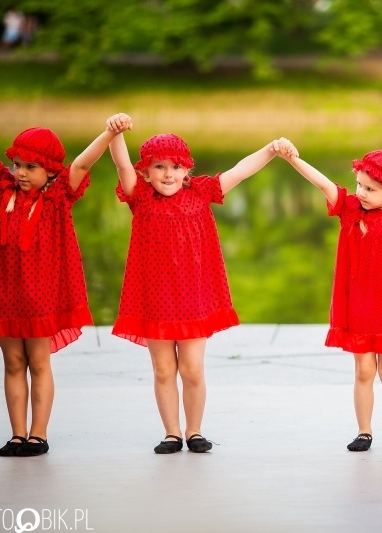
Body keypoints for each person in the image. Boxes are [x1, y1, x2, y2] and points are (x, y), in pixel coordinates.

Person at [108, 114, 295, 454]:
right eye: (160, 167)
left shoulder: (202, 191)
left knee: (192, 369)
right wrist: (114, 132)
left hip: (193, 296)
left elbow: (240, 170)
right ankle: (171, 432)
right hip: (154, 297)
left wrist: (270, 150)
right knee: (164, 369)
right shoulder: (141, 198)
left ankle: (194, 430)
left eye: (176, 167)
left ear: (187, 170)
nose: (168, 175)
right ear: (146, 172)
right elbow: (121, 165)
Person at [277, 126, 382, 452]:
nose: (362, 192)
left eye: (371, 189)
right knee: (365, 369)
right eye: (360, 185)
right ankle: (364, 431)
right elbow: (323, 183)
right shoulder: (350, 211)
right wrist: (294, 159)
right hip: (361, 304)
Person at [0, 118, 127, 457]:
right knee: (12, 363)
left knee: (38, 362)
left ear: (51, 171)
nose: (20, 172)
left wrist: (111, 132)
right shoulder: (3, 190)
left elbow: (83, 161)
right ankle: (17, 434)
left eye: (31, 167)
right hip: (4, 294)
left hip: (40, 296)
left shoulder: (58, 194)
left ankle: (38, 434)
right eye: (16, 165)